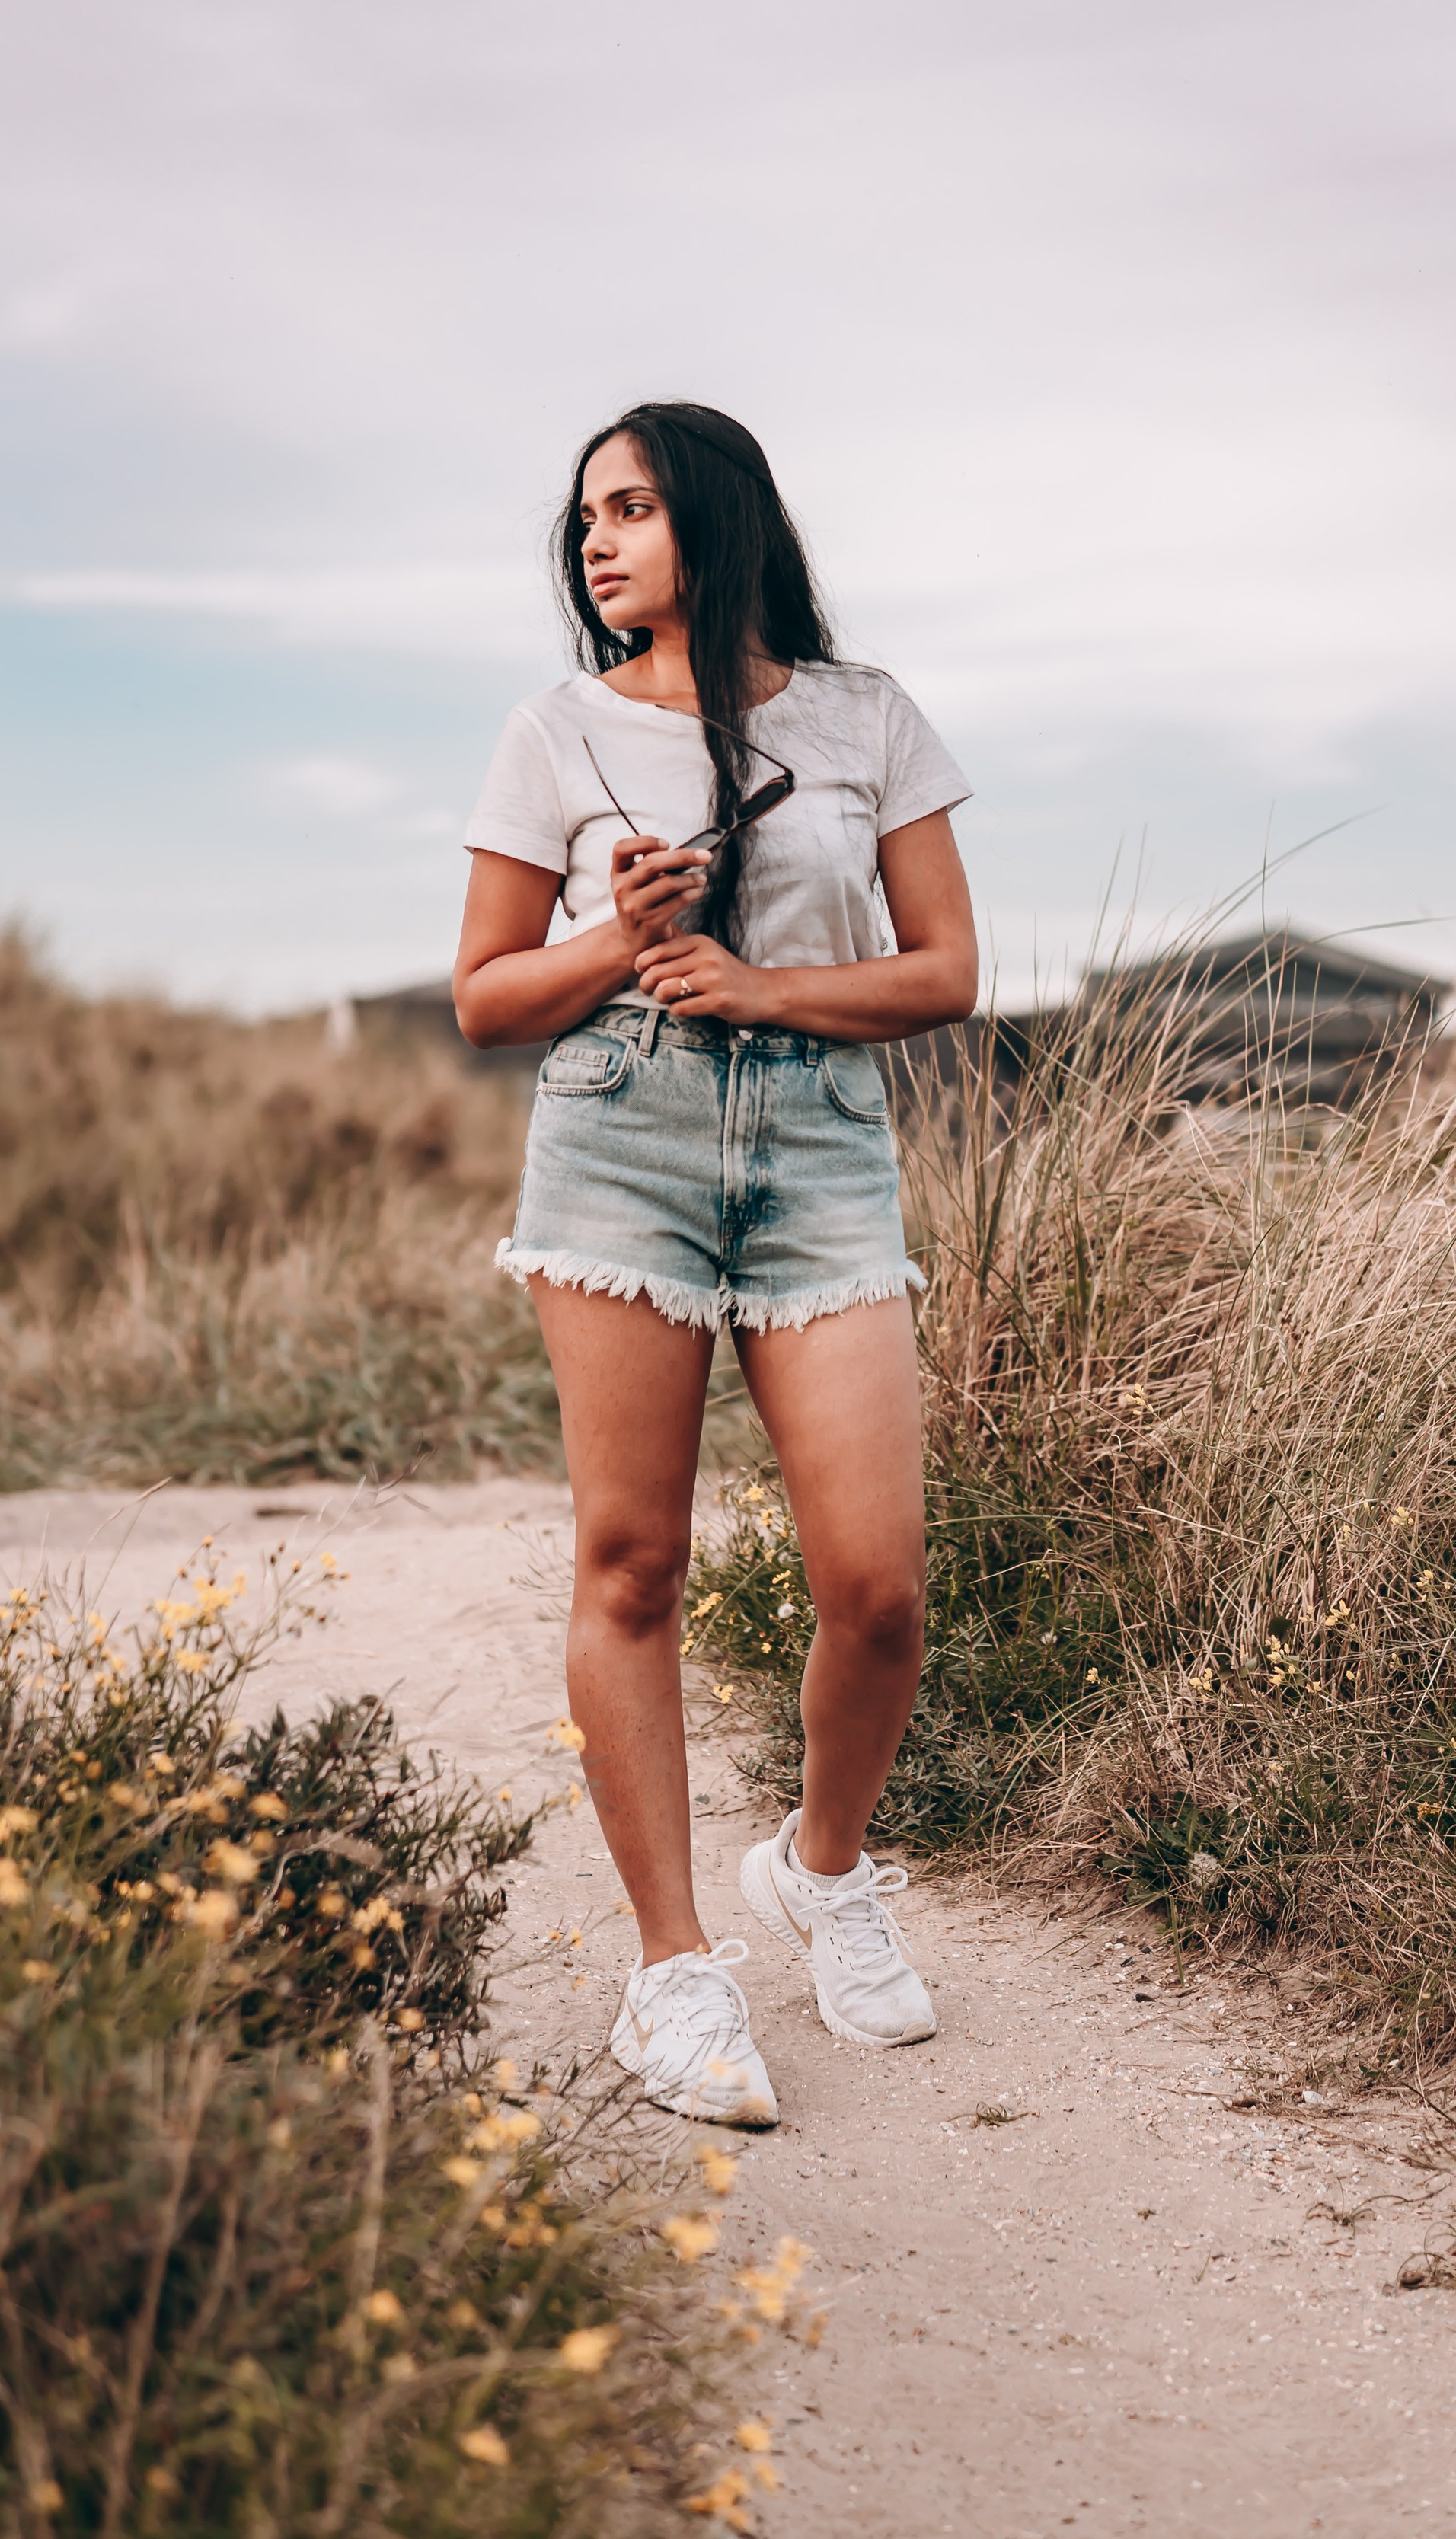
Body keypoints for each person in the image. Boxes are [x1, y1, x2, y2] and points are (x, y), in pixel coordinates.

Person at [453, 402, 976, 2125]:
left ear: (718, 518)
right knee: (631, 1560)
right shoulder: (556, 730)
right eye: (585, 518)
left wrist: (762, 989)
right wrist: (628, 936)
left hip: (821, 1140)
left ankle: (821, 1871)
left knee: (877, 1585)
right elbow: (484, 999)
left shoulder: (860, 717)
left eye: (633, 509)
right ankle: (675, 1974)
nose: (596, 542)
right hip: (622, 1132)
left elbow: (944, 968)